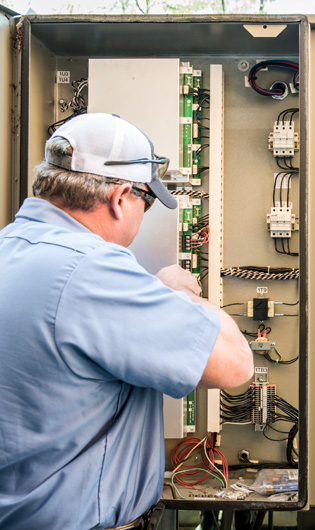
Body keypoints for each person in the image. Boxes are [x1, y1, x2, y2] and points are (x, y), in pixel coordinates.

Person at [0, 113, 253, 530]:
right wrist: (178, 291)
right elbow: (235, 364)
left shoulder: (13, 249)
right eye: (146, 201)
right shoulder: (90, 272)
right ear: (120, 198)